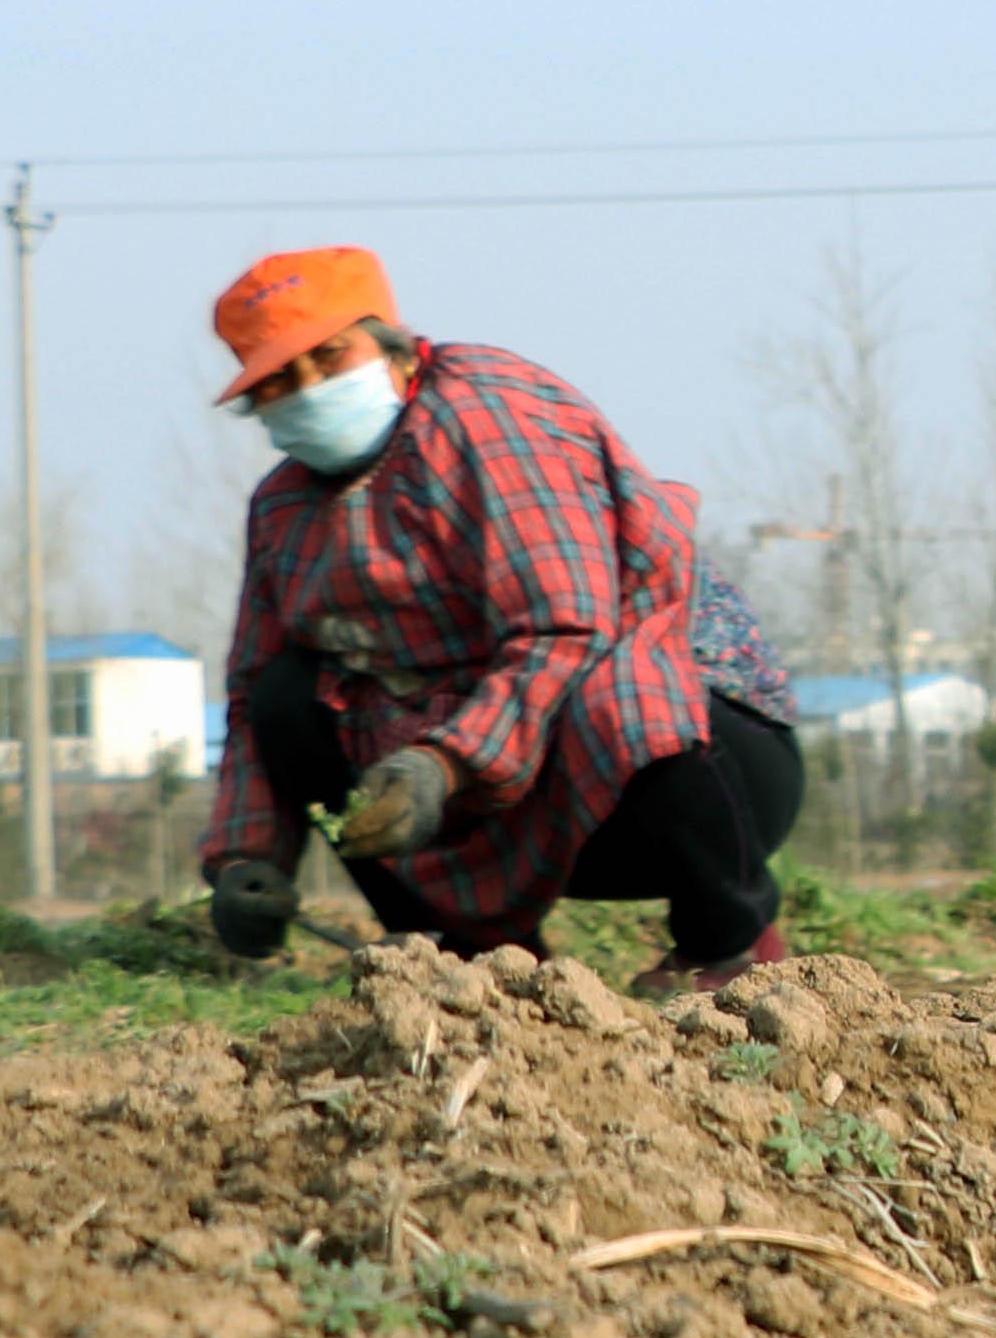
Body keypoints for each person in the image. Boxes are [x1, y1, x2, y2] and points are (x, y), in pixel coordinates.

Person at [194, 246, 806, 990]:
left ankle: (727, 944)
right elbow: (252, 692)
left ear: (386, 344)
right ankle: (471, 956)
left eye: (329, 359)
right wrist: (245, 858)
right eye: (281, 381)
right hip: (481, 780)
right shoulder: (284, 508)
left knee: (621, 686)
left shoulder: (486, 414)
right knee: (287, 698)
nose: (311, 389)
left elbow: (564, 627)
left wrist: (445, 763)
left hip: (685, 752)